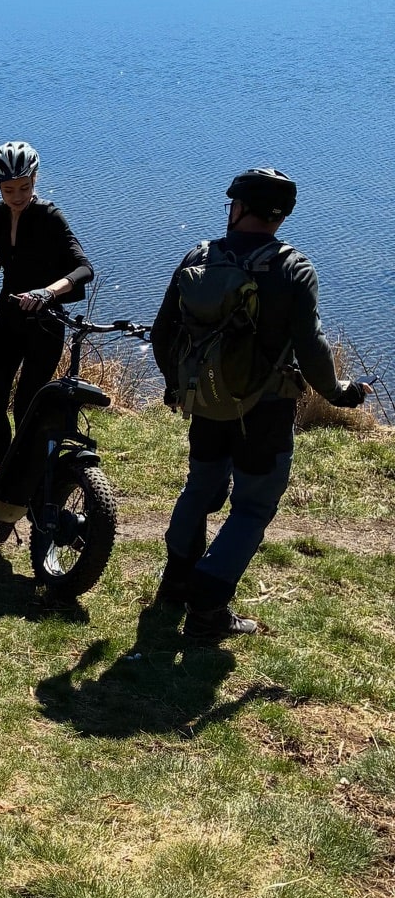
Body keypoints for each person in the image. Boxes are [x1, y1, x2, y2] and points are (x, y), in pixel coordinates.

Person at [151, 167, 368, 643]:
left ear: (240, 208)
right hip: (264, 411)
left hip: (205, 401)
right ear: (280, 216)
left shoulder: (199, 256)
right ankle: (208, 609)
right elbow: (311, 349)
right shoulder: (293, 269)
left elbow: (163, 332)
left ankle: (175, 584)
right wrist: (338, 393)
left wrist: (176, 385)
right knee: (252, 507)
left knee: (200, 486)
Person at [0, 141, 94, 466]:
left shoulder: (50, 217)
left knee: (26, 407)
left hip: (45, 324)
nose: (18, 196)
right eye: (9, 190)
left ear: (35, 179)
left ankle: (30, 479)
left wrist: (47, 292)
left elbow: (84, 268)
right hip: (8, 321)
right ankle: (5, 479)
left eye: (24, 187)